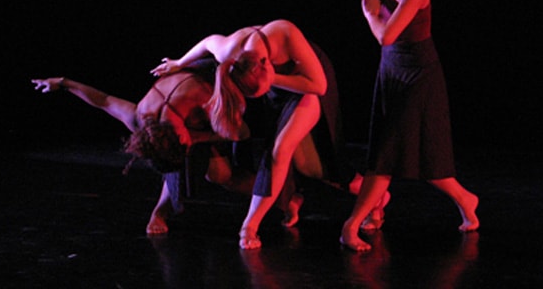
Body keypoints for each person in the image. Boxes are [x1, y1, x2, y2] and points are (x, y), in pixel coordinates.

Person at [242, 0, 479, 251]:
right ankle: (464, 199)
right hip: (391, 70)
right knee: (412, 156)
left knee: (388, 155)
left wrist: (371, 13)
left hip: (419, 75)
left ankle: (351, 226)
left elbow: (386, 36)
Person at [151, 19, 388, 249]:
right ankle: (377, 198)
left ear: (266, 64)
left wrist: (274, 79)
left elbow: (319, 86)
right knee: (310, 167)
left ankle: (249, 226)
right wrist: (180, 62)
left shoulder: (284, 33)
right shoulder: (229, 52)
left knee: (281, 150)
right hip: (278, 87)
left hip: (309, 82)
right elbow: (207, 42)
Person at [31, 64, 254, 235]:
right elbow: (103, 101)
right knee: (211, 172)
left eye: (186, 145)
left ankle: (270, 196)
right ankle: (161, 211)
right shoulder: (140, 117)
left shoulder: (203, 101)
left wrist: (198, 137)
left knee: (221, 175)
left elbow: (242, 133)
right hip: (190, 118)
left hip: (215, 78)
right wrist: (64, 83)